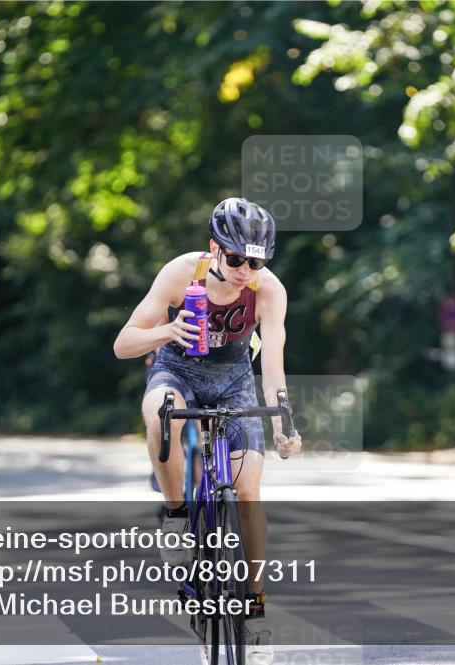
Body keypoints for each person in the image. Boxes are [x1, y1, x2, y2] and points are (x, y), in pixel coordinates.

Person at [114, 196, 302, 663]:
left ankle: (255, 611)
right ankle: (177, 515)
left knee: (249, 493)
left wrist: (284, 421)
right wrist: (167, 331)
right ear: (214, 248)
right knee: (160, 409)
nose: (245, 269)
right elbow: (123, 343)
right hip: (179, 371)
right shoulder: (181, 273)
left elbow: (273, 364)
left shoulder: (269, 291)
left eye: (255, 260)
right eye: (236, 257)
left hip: (235, 380)